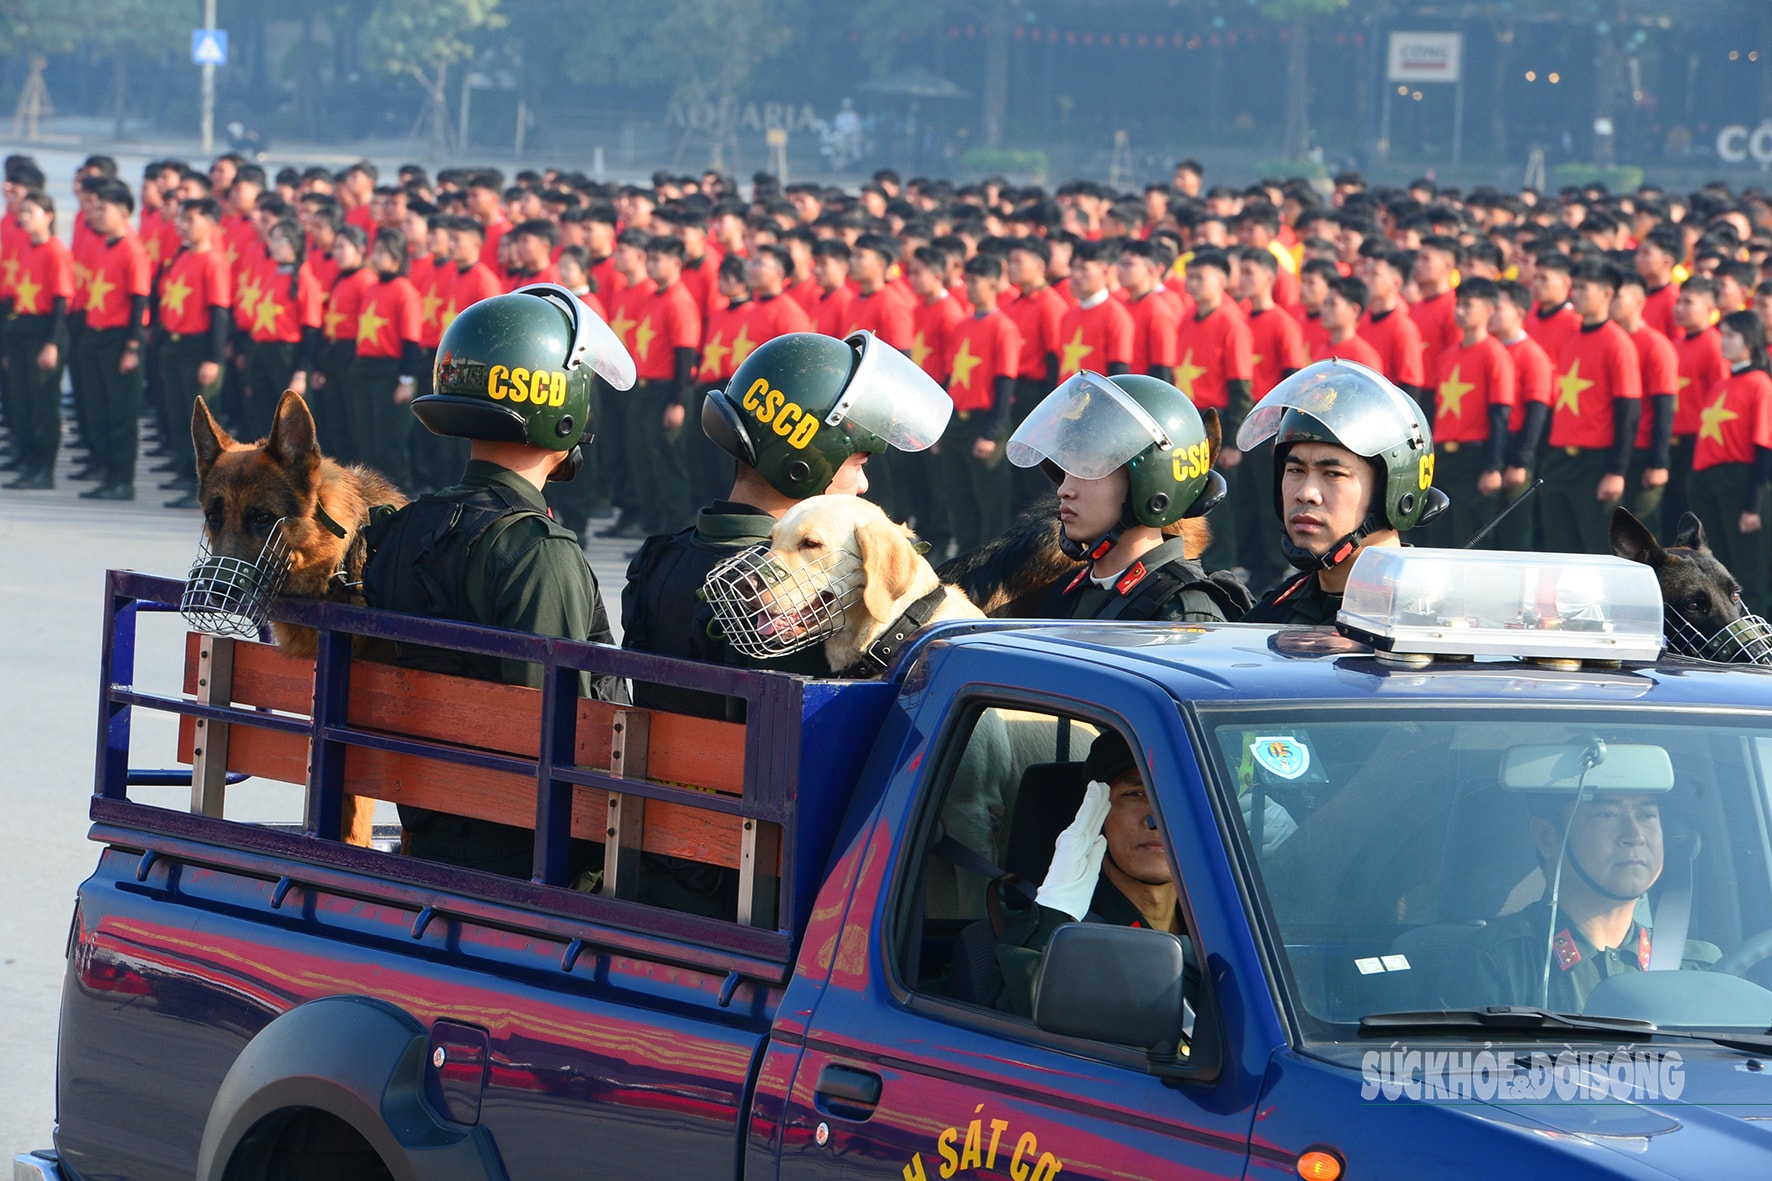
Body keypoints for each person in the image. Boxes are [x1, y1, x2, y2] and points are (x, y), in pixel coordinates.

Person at [361, 283, 636, 879]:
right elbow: (557, 726)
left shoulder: (403, 528)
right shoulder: (537, 551)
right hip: (533, 854)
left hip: (433, 820)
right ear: (562, 412)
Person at [621, 329, 952, 718]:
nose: (863, 484)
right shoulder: (802, 592)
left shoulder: (659, 557)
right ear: (806, 466)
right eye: (858, 463)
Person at [1006, 371, 1249, 621]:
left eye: (1088, 470)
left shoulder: (1180, 611)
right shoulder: (1067, 594)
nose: (1063, 490)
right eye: (1066, 471)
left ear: (1152, 485)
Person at [1453, 786, 1718, 1012]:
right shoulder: (1497, 965)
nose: (1634, 836)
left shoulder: (1699, 968)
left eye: (1647, 815)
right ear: (1546, 837)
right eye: (1607, 815)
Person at [992, 731, 1198, 1018]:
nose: (1156, 817)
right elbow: (1024, 1026)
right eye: (1135, 793)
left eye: (1178, 795)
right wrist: (1054, 916)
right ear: (1096, 812)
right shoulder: (1060, 934)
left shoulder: (1233, 926)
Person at [1239, 358, 1448, 624]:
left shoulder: (1429, 623)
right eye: (1295, 471)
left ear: (1393, 493)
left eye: (1333, 474)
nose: (1306, 493)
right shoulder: (1271, 614)